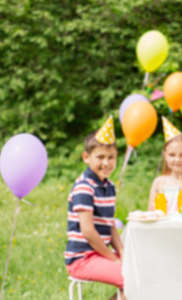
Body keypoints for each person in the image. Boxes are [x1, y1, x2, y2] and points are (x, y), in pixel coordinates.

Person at [64, 116, 126, 300]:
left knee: (141, 270)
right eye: (100, 157)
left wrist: (122, 252)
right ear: (86, 157)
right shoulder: (84, 187)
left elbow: (111, 226)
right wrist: (114, 259)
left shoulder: (109, 186)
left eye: (111, 157)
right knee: (132, 279)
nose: (106, 163)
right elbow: (88, 231)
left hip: (98, 254)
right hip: (82, 259)